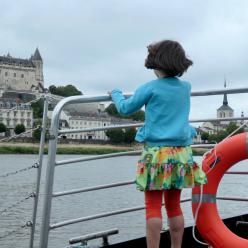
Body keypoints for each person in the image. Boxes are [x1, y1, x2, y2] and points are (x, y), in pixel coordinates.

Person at [109, 40, 207, 248]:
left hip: (156, 155)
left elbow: (125, 109)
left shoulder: (149, 88)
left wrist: (115, 94)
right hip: (181, 154)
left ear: (156, 63)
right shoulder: (185, 87)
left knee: (153, 207)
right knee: (174, 206)